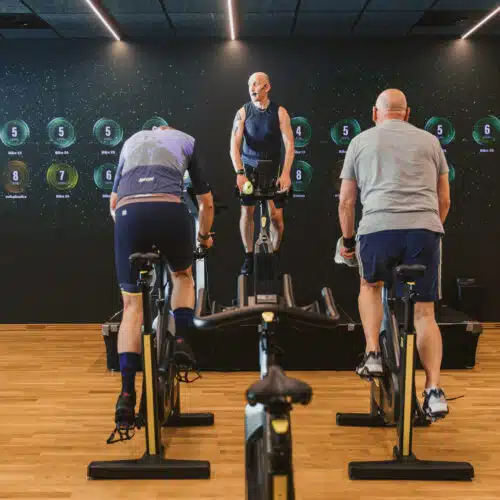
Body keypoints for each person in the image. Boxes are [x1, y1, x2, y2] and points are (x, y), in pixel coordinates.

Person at [338, 89, 451, 420]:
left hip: (378, 229)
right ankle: (434, 391)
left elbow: (346, 202)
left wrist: (348, 241)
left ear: (375, 114)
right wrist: (430, 229)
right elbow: (444, 200)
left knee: (370, 286)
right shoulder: (431, 141)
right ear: (408, 113)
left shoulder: (360, 141)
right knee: (424, 313)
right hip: (423, 231)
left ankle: (373, 352)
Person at [109, 125, 214, 428]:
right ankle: (181, 341)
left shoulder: (131, 142)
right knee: (182, 276)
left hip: (128, 216)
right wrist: (204, 237)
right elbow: (206, 203)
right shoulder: (186, 140)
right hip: (169, 212)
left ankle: (126, 394)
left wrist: (132, 233)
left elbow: (113, 204)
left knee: (132, 306)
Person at [230, 72, 295, 275]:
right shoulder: (243, 112)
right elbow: (233, 146)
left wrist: (286, 173)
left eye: (256, 84)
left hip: (273, 169)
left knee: (276, 217)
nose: (252, 88)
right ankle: (249, 256)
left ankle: (275, 254)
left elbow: (290, 146)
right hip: (249, 169)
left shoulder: (280, 112)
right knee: (247, 212)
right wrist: (240, 173)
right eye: (250, 84)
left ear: (267, 87)